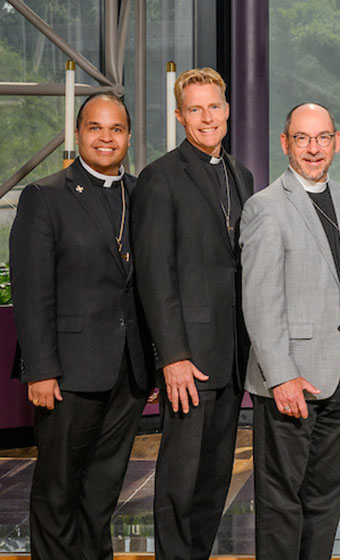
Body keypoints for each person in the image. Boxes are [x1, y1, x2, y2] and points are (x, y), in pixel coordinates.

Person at [11, 93, 152, 560]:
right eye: (96, 128)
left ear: (128, 137)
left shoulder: (140, 194)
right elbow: (32, 294)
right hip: (67, 373)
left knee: (102, 493)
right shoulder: (45, 196)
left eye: (116, 129)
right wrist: (40, 369)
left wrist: (149, 359)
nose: (106, 138)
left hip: (127, 373)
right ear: (78, 133)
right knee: (58, 492)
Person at [240, 103, 340, 560]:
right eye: (302, 138)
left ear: (336, 142)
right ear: (285, 144)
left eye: (322, 137)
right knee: (282, 499)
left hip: (339, 371)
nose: (313, 148)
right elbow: (260, 301)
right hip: (291, 378)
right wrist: (280, 376)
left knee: (327, 492)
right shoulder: (264, 206)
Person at [132, 67, 255, 560]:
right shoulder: (160, 178)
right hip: (190, 358)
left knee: (214, 477)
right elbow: (155, 277)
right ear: (180, 116)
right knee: (180, 480)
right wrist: (173, 355)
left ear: (227, 112)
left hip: (232, 355)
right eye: (196, 109)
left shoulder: (241, 175)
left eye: (215, 107)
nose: (207, 117)